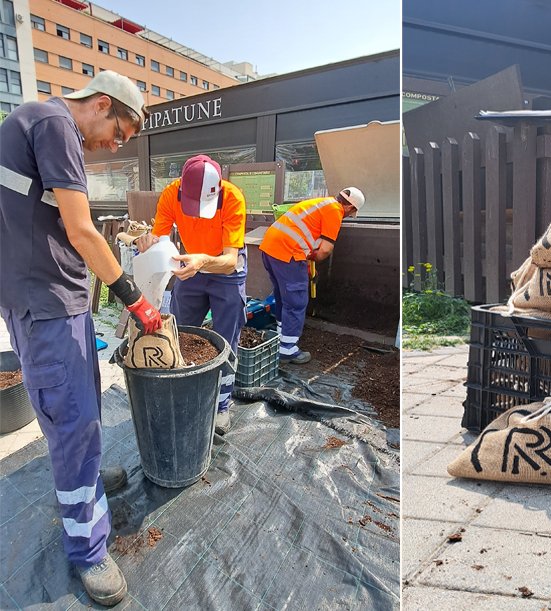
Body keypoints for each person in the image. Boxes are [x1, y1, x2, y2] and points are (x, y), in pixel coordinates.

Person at [0, 70, 161, 606]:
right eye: (120, 132)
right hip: (46, 304)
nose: (113, 145)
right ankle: (88, 548)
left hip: (42, 297)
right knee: (73, 418)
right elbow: (81, 229)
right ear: (100, 103)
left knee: (74, 406)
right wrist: (133, 297)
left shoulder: (31, 123)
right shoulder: (54, 123)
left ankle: (86, 474)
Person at [136, 155, 247, 436]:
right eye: (192, 207)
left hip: (225, 271)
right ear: (182, 189)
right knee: (181, 329)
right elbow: (160, 238)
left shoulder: (232, 198)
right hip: (189, 264)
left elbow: (231, 260)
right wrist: (149, 244)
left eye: (203, 207)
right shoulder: (171, 193)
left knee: (226, 337)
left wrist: (202, 262)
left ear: (218, 188)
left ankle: (222, 404)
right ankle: (183, 389)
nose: (197, 214)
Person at [259, 187, 365, 364]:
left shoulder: (319, 202)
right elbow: (325, 249)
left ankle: (281, 337)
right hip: (289, 253)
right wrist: (312, 258)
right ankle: (288, 350)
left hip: (270, 249)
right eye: (351, 213)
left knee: (281, 295)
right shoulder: (335, 211)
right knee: (296, 301)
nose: (347, 216)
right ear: (350, 208)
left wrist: (305, 258)